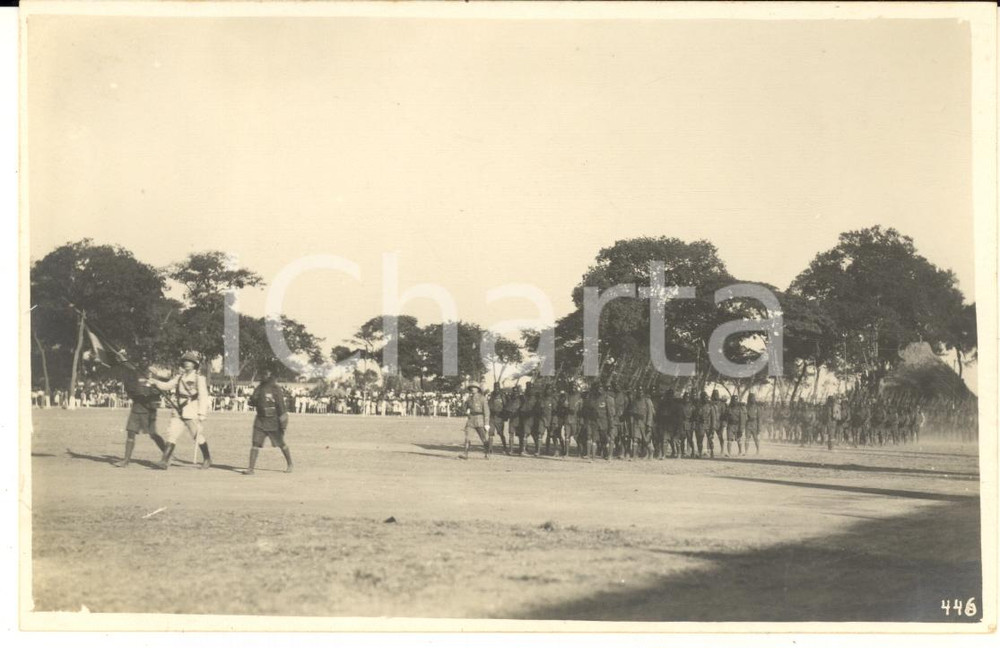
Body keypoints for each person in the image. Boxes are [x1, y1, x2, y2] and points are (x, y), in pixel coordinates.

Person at [149, 352, 212, 470]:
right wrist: (156, 382)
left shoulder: (199, 378)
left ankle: (207, 458)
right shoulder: (179, 377)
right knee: (172, 433)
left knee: (196, 435)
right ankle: (164, 461)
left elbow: (203, 396)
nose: (187, 363)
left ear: (195, 364)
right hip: (178, 409)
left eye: (190, 362)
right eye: (185, 361)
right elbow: (167, 385)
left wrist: (202, 413)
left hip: (191, 409)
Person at [114, 364, 167, 468]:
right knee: (130, 432)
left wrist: (153, 390)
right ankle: (126, 460)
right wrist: (133, 392)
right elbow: (130, 389)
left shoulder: (152, 372)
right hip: (136, 406)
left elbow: (159, 390)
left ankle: (167, 455)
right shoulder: (133, 373)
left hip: (148, 408)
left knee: (153, 434)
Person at [244, 364, 292, 475]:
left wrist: (283, 424)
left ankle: (290, 464)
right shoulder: (259, 388)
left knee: (281, 443)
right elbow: (252, 402)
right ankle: (250, 468)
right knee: (255, 443)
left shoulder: (276, 389)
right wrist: (252, 400)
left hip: (273, 422)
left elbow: (281, 407)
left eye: (266, 374)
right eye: (262, 373)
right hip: (260, 421)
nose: (263, 376)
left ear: (271, 375)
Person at [462, 383, 490, 459]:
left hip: (480, 419)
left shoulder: (482, 398)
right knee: (467, 437)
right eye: (471, 387)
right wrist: (465, 409)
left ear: (478, 389)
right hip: (471, 419)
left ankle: (487, 453)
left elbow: (486, 411)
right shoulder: (469, 398)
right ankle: (465, 454)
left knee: (484, 438)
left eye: (474, 387)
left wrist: (487, 423)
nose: (472, 389)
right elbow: (464, 409)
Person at [488, 387, 509, 455]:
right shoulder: (491, 397)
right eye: (495, 388)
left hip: (499, 417)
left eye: (497, 388)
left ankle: (505, 447)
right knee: (490, 433)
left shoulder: (503, 397)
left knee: (501, 433)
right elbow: (489, 405)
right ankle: (490, 449)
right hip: (492, 417)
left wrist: (504, 416)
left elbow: (506, 407)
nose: (496, 391)